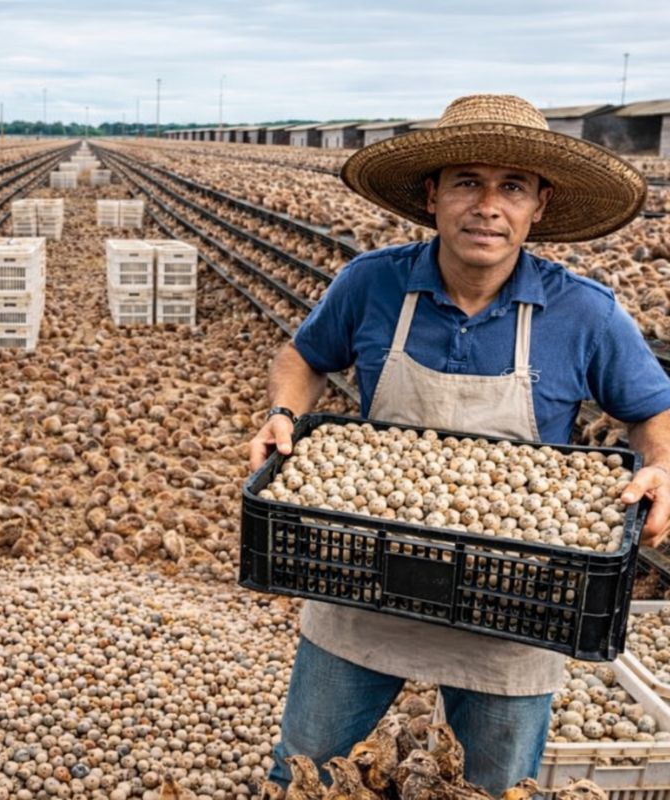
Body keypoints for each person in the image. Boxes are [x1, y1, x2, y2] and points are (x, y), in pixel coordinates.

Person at [248, 94, 670, 793]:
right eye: (467, 182)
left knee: (497, 783)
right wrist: (282, 415)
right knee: (310, 766)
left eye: (512, 187)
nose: (488, 206)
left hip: (518, 597)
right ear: (432, 194)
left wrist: (660, 466)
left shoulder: (584, 312)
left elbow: (652, 409)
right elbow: (303, 357)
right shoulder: (373, 283)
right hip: (363, 573)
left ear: (539, 203)